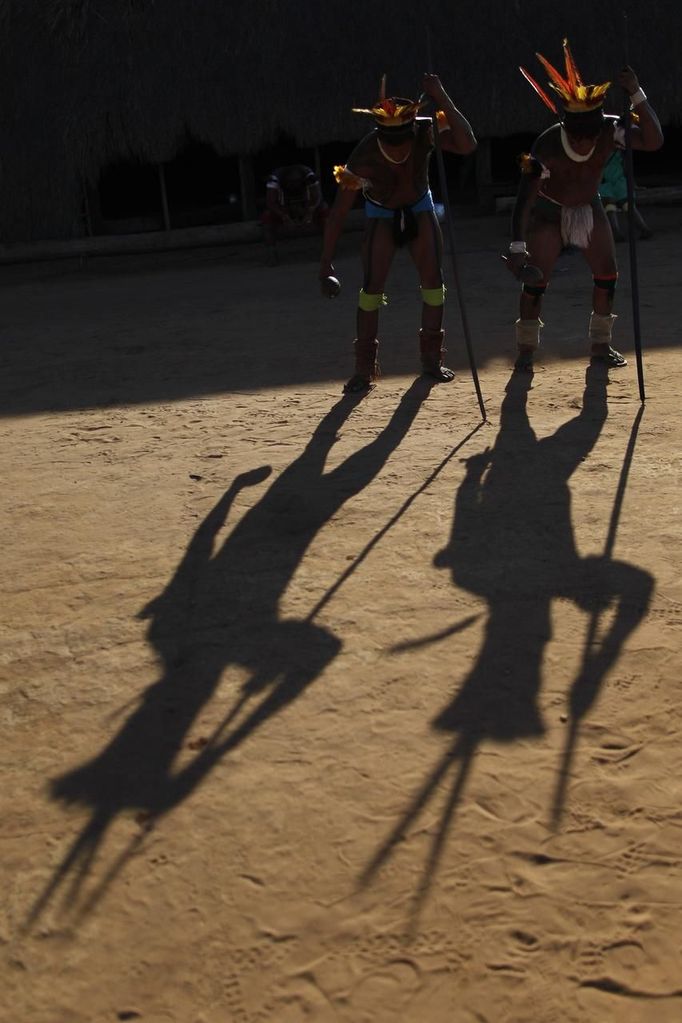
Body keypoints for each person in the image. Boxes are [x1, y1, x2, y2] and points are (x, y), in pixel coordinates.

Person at [507, 40, 663, 372]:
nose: (584, 144)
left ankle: (601, 345)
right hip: (548, 213)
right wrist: (518, 247)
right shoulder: (545, 147)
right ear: (566, 129)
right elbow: (525, 199)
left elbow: (653, 140)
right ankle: (525, 350)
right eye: (578, 138)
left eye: (589, 138)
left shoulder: (610, 130)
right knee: (535, 281)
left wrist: (636, 92)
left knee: (607, 275)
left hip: (589, 207)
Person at [318, 74, 477, 394]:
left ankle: (431, 360)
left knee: (434, 284)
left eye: (402, 140)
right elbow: (338, 214)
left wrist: (441, 95)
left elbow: (467, 143)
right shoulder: (363, 156)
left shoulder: (425, 132)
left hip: (420, 207)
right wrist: (326, 262)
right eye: (391, 141)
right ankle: (364, 370)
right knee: (371, 289)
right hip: (381, 214)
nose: (399, 146)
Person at [262, 164, 329, 265]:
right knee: (267, 217)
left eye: (297, 182)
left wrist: (310, 211)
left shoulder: (310, 176)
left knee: (324, 210)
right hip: (284, 207)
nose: (294, 185)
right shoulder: (274, 179)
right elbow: (270, 202)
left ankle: (328, 250)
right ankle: (271, 253)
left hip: (305, 205)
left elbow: (317, 196)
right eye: (291, 183)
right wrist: (283, 215)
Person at [600, 147, 652, 242]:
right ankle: (643, 228)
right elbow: (627, 168)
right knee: (625, 206)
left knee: (611, 206)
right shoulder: (619, 149)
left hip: (606, 181)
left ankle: (616, 232)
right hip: (617, 181)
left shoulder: (600, 149)